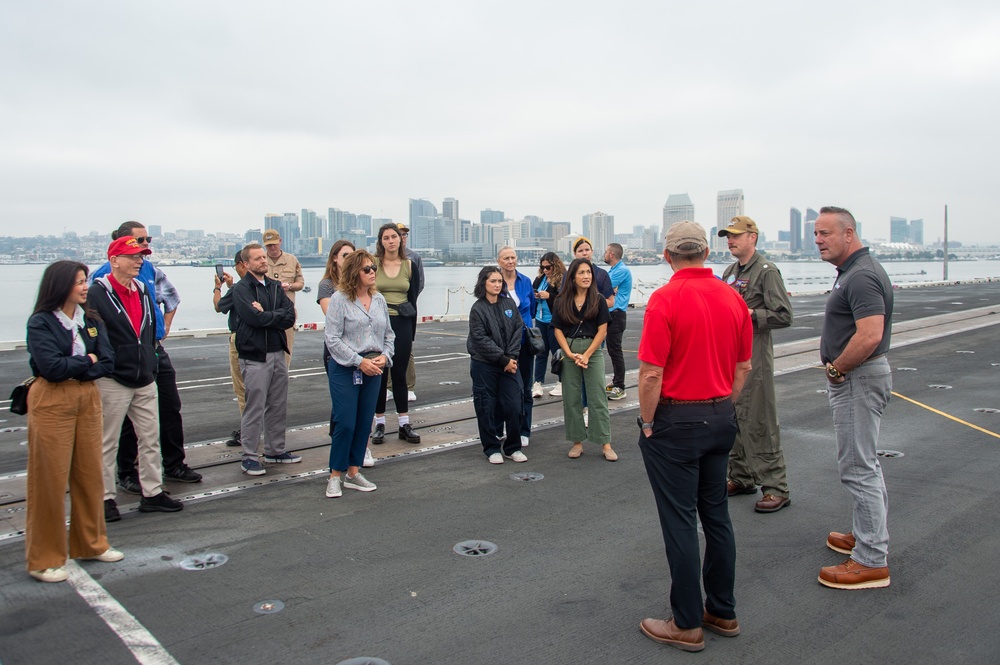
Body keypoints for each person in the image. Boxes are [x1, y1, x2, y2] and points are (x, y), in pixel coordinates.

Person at [636, 221, 752, 653]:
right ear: (707, 253)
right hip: (720, 415)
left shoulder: (665, 299)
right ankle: (722, 608)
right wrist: (722, 404)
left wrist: (649, 424)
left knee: (680, 520)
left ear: (667, 257)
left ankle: (685, 622)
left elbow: (651, 374)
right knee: (716, 515)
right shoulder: (733, 297)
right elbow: (743, 368)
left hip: (676, 422)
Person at [24, 261, 123, 583]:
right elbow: (51, 368)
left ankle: (91, 544)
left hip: (87, 398)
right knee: (49, 480)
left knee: (89, 474)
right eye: (79, 282)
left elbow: (107, 361)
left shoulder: (89, 320)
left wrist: (82, 364)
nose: (85, 287)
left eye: (85, 281)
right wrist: (87, 360)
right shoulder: (40, 322)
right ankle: (44, 558)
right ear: (60, 285)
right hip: (52, 400)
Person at [814, 206, 894, 590]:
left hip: (858, 378)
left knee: (858, 466)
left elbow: (869, 335)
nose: (818, 240)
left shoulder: (861, 276)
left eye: (825, 233)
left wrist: (837, 368)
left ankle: (871, 559)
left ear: (849, 234)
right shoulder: (853, 272)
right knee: (863, 463)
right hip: (857, 377)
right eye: (816, 233)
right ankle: (866, 535)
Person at [91, 222, 201, 495]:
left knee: (167, 410)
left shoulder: (146, 277)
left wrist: (161, 331)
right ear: (116, 254)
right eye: (137, 245)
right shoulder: (98, 284)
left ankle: (170, 469)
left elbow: (172, 299)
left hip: (150, 352)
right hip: (119, 364)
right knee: (121, 427)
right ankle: (123, 476)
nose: (141, 254)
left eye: (145, 244)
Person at [719, 216, 794, 513]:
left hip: (755, 356)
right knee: (734, 417)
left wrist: (747, 314)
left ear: (753, 237)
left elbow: (783, 314)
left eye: (736, 235)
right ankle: (741, 476)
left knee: (759, 420)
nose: (730, 240)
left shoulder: (766, 272)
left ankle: (776, 486)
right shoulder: (729, 272)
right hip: (732, 357)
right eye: (728, 236)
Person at [323, 250, 393, 498]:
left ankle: (353, 472)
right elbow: (331, 338)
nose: (372, 272)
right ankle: (335, 475)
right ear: (354, 272)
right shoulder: (340, 299)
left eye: (373, 267)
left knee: (364, 421)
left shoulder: (379, 300)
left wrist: (386, 355)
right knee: (345, 422)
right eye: (366, 269)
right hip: (345, 368)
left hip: (375, 368)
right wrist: (358, 361)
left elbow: (389, 335)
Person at [233, 243, 301, 476]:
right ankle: (249, 456)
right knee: (255, 406)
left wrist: (266, 314)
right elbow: (253, 319)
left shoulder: (273, 286)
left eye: (264, 257)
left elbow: (289, 316)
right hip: (255, 355)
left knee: (278, 403)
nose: (263, 260)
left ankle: (275, 450)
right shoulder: (241, 289)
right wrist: (271, 316)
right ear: (246, 264)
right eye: (258, 258)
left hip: (277, 351)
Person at [551, 258, 616, 461]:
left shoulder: (598, 299)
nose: (586, 276)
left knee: (598, 397)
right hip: (570, 351)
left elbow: (602, 330)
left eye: (588, 272)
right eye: (581, 273)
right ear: (573, 276)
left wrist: (587, 354)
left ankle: (605, 443)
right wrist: (569, 353)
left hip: (592, 351)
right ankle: (577, 441)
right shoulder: (562, 300)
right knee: (571, 397)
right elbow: (557, 329)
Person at [317, 240, 374, 469]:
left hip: (365, 353)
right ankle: (340, 452)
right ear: (335, 258)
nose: (350, 258)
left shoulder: (372, 294)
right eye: (345, 255)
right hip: (338, 353)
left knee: (362, 408)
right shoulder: (328, 286)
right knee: (343, 408)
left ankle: (361, 449)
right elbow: (333, 316)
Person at [468, 266, 527, 464]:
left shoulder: (509, 303)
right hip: (485, 364)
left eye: (499, 281)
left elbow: (518, 329)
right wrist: (503, 359)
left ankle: (512, 447)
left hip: (509, 363)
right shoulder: (478, 309)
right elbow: (479, 338)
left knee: (514, 405)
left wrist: (511, 358)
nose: (497, 284)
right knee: (486, 406)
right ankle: (491, 448)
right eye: (492, 281)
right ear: (483, 283)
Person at [372, 223, 421, 445]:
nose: (391, 241)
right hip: (378, 324)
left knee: (399, 374)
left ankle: (404, 423)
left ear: (400, 240)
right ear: (380, 242)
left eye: (394, 237)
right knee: (379, 375)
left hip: (402, 322)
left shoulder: (410, 266)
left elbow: (413, 299)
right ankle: (379, 423)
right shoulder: (373, 264)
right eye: (386, 238)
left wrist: (411, 331)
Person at [497, 247, 536, 447]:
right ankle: (500, 428)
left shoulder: (526, 282)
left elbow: (533, 308)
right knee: (504, 389)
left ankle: (524, 430)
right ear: (499, 261)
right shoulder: (495, 282)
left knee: (525, 388)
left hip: (524, 343)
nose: (510, 261)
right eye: (506, 258)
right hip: (503, 345)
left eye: (513, 257)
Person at [214, 250, 248, 447]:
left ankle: (247, 430)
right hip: (259, 340)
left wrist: (217, 288)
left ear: (241, 264)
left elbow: (219, 306)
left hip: (239, 339)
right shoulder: (261, 286)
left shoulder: (238, 289)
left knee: (242, 388)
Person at [262, 229, 304, 368]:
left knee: (286, 351)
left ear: (280, 242)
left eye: (274, 244)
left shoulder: (291, 260)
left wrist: (290, 286)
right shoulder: (261, 261)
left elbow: (300, 283)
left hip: (286, 313)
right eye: (269, 246)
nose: (272, 248)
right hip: (265, 313)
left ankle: (282, 379)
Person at [531, 252, 565, 398]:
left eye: (548, 267)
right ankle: (538, 383)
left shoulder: (561, 280)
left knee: (557, 353)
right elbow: (531, 291)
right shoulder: (540, 279)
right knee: (540, 353)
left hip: (554, 321)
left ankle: (561, 382)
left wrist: (549, 296)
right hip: (540, 320)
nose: (545, 270)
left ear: (555, 266)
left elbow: (564, 299)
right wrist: (535, 295)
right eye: (542, 267)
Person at [397, 223, 423, 402]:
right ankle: (390, 387)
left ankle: (409, 385)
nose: (402, 237)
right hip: (386, 309)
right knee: (386, 349)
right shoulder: (380, 258)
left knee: (407, 348)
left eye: (405, 234)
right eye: (399, 234)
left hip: (407, 308)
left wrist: (409, 301)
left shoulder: (414, 257)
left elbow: (419, 282)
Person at [603, 243, 632, 401]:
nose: (605, 254)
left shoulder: (621, 270)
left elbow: (602, 288)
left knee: (615, 351)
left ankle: (620, 386)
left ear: (612, 254)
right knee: (613, 350)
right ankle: (616, 382)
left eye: (607, 252)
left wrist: (609, 290)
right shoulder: (614, 270)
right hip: (612, 315)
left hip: (616, 315)